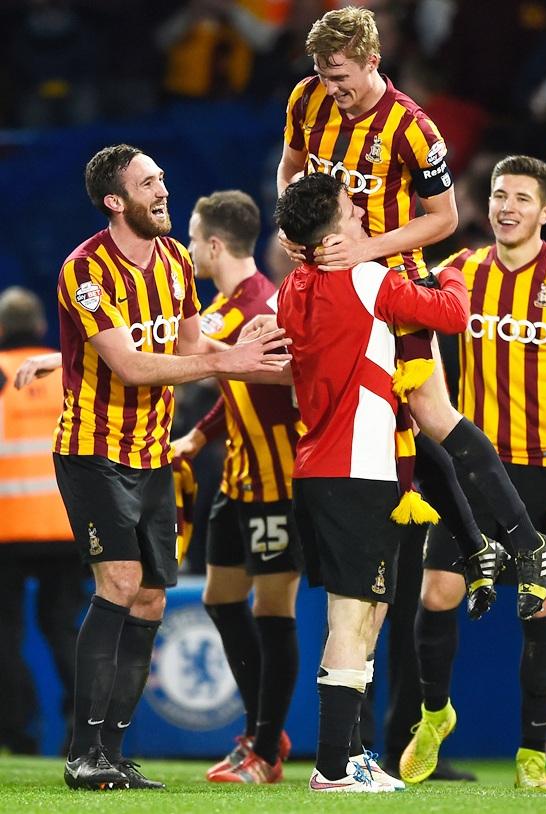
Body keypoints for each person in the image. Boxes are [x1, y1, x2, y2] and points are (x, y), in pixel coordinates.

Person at [15, 143, 291, 791]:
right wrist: (230, 364)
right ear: (116, 201)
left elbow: (189, 345)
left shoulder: (171, 258)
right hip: (94, 452)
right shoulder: (85, 271)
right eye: (148, 183)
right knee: (118, 581)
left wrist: (246, 349)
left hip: (151, 454)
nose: (163, 190)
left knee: (150, 597)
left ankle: (111, 754)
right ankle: (82, 752)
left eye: (162, 178)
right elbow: (132, 366)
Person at [277, 3, 546, 626]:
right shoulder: (307, 100)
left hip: (385, 283)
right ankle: (479, 544)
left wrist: (364, 248)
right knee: (383, 421)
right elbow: (292, 169)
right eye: (324, 74)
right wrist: (293, 224)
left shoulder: (414, 127)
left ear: (374, 61)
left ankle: (524, 541)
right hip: (327, 284)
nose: (333, 88)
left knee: (430, 412)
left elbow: (446, 219)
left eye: (343, 75)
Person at [401, 155, 546, 791]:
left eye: (522, 198)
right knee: (435, 592)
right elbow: (403, 314)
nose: (508, 207)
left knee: (540, 606)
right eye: (500, 195)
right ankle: (434, 718)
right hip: (471, 467)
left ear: (545, 211)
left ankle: (532, 759)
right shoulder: (460, 271)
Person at [273, 170, 472, 793]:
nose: (359, 205)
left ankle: (352, 756)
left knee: (371, 609)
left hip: (322, 467)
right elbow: (453, 314)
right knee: (351, 615)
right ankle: (334, 765)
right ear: (334, 226)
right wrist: (453, 267)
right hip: (356, 466)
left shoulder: (293, 286)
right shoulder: (367, 278)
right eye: (346, 202)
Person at [171, 190, 300, 784]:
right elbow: (234, 385)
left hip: (279, 483)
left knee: (273, 609)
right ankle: (261, 730)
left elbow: (282, 384)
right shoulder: (225, 307)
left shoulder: (268, 308)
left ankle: (266, 747)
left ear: (214, 244)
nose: (191, 247)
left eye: (194, 238)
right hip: (239, 478)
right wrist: (199, 435)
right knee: (220, 599)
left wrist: (225, 357)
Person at [0, 287, 86, 756]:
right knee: (64, 627)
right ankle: (81, 724)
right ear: (38, 327)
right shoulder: (64, 369)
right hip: (65, 521)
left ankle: (17, 729)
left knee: (5, 634)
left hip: (7, 528)